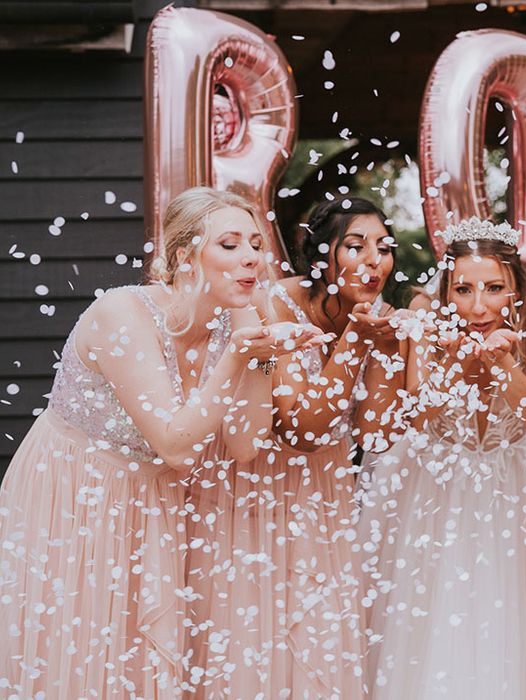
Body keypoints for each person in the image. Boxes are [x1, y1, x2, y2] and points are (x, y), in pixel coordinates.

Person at [0, 187, 320, 697]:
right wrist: (238, 357)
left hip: (154, 501)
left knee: (142, 663)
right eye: (231, 245)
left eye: (256, 245)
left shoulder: (235, 318)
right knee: (86, 655)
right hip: (79, 494)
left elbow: (244, 443)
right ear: (184, 256)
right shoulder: (121, 315)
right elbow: (174, 445)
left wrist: (261, 354)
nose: (251, 260)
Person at [184, 196, 398, 699]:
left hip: (324, 499)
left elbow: (374, 435)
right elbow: (301, 429)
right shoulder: (270, 304)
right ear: (322, 255)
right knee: (252, 640)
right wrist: (354, 342)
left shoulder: (378, 317)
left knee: (316, 640)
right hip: (256, 491)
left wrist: (386, 349)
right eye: (356, 245)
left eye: (384, 248)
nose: (374, 260)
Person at [358, 217, 526, 699]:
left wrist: (499, 361)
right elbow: (418, 413)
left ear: (516, 287)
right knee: (433, 613)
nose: (478, 307)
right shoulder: (424, 313)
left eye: (494, 289)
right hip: (438, 483)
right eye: (464, 289)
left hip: (521, 480)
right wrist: (458, 359)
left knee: (520, 612)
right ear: (446, 288)